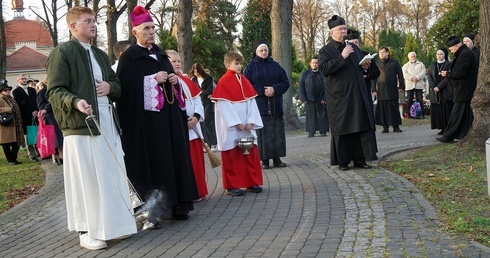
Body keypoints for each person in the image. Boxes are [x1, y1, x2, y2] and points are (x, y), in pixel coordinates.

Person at [45, 6, 137, 250]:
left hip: (107, 121)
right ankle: (86, 230)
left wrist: (109, 87)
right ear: (73, 26)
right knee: (85, 180)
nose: (94, 24)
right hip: (81, 126)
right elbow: (54, 90)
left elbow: (116, 84)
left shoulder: (99, 54)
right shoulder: (62, 53)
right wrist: (75, 101)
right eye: (87, 21)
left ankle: (114, 227)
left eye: (94, 20)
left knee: (110, 176)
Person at [116, 6, 198, 223]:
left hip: (170, 120)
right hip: (148, 125)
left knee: (175, 158)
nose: (151, 32)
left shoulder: (161, 53)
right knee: (158, 161)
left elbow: (173, 85)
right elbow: (125, 90)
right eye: (146, 28)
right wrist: (151, 80)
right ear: (135, 32)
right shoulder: (129, 58)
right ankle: (158, 208)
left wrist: (173, 80)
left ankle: (180, 203)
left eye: (153, 27)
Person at [317, 15, 378, 171]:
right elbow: (324, 70)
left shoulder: (353, 47)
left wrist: (365, 67)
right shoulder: (325, 50)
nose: (343, 31)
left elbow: (357, 68)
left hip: (357, 95)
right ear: (332, 33)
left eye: (344, 28)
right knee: (344, 128)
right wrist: (342, 56)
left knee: (359, 125)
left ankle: (360, 158)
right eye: (340, 29)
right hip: (339, 97)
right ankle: (343, 161)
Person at [211, 51, 264, 196]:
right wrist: (236, 123)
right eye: (236, 63)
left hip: (247, 126)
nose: (240, 66)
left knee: (249, 155)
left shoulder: (244, 80)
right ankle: (232, 185)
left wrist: (251, 121)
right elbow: (223, 106)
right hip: (232, 128)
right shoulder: (223, 82)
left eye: (240, 63)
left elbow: (252, 103)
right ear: (228, 65)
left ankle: (251, 182)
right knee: (232, 156)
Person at [166, 49, 208, 201]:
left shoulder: (185, 80)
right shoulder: (165, 82)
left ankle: (199, 190)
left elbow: (197, 101)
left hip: (193, 127)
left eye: (178, 61)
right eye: (173, 61)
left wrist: (196, 117)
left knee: (197, 162)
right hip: (180, 128)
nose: (177, 64)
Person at [244, 39, 290, 170]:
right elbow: (247, 85)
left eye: (265, 50)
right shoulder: (250, 67)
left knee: (276, 132)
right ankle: (264, 159)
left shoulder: (275, 65)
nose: (264, 52)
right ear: (256, 52)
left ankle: (277, 158)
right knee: (263, 134)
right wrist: (262, 91)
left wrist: (274, 89)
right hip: (261, 105)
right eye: (261, 50)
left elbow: (285, 82)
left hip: (275, 104)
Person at [438, 36, 477, 143]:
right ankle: (462, 134)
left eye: (451, 49)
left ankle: (449, 135)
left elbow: (461, 72)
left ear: (456, 46)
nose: (451, 51)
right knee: (464, 114)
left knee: (456, 113)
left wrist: (448, 74)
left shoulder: (465, 55)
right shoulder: (464, 54)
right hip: (463, 89)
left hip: (464, 89)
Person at [345, 29, 380, 113]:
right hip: (351, 91)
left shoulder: (366, 54)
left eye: (356, 43)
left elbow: (376, 72)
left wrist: (367, 75)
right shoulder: (345, 56)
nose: (355, 45)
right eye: (352, 44)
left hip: (365, 89)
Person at [374, 47, 405, 133]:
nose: (381, 54)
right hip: (381, 89)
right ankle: (385, 127)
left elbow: (400, 75)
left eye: (383, 52)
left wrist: (401, 86)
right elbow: (373, 77)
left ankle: (396, 126)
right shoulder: (376, 64)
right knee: (383, 108)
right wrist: (373, 89)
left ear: (387, 53)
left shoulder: (394, 62)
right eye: (380, 53)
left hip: (392, 89)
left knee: (393, 108)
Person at [298, 56, 329, 137]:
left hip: (321, 99)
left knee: (322, 116)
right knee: (311, 117)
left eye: (316, 63)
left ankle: (323, 131)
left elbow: (328, 86)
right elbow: (301, 86)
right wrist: (303, 98)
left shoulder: (323, 74)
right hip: (309, 99)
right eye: (313, 63)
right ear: (310, 64)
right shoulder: (305, 74)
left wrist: (324, 98)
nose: (315, 64)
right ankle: (311, 131)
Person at [12, 73, 40, 162]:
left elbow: (36, 101)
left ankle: (39, 152)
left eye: (25, 79)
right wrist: (30, 113)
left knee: (37, 134)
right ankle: (32, 154)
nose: (24, 80)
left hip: (35, 115)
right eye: (22, 79)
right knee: (29, 136)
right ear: (18, 80)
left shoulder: (32, 90)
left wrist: (36, 111)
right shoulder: (16, 91)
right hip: (25, 117)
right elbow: (20, 105)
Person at [190, 63, 217, 151]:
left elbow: (210, 90)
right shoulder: (193, 79)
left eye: (197, 71)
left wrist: (199, 91)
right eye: (194, 71)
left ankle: (214, 142)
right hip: (199, 103)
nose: (196, 73)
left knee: (207, 122)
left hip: (208, 103)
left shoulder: (208, 78)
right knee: (202, 123)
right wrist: (202, 92)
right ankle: (207, 143)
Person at [36, 80, 64, 165]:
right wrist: (50, 106)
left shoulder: (56, 90)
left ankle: (61, 155)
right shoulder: (42, 92)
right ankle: (54, 157)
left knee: (60, 138)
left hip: (58, 115)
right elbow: (41, 105)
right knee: (52, 137)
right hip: (50, 116)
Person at [428, 47, 453, 135]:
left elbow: (448, 78)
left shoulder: (449, 64)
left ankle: (447, 127)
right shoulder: (432, 65)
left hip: (445, 90)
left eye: (441, 54)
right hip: (435, 91)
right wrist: (433, 87)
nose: (439, 56)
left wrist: (439, 86)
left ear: (445, 55)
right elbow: (429, 77)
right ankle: (441, 127)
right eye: (438, 54)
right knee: (438, 110)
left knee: (446, 110)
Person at [0, 81, 25, 165]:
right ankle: (10, 160)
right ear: (1, 91)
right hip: (5, 124)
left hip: (15, 124)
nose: (7, 91)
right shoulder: (0, 98)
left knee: (16, 142)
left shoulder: (11, 98)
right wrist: (9, 109)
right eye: (5, 90)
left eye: (8, 90)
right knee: (6, 143)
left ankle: (14, 159)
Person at [402, 52, 426, 118]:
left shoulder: (421, 64)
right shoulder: (406, 65)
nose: (413, 57)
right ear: (409, 58)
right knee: (409, 100)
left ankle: (421, 114)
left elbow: (423, 72)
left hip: (419, 84)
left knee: (420, 99)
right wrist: (412, 78)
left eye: (414, 56)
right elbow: (404, 74)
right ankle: (409, 114)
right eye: (411, 57)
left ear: (416, 56)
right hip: (410, 85)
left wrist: (417, 77)